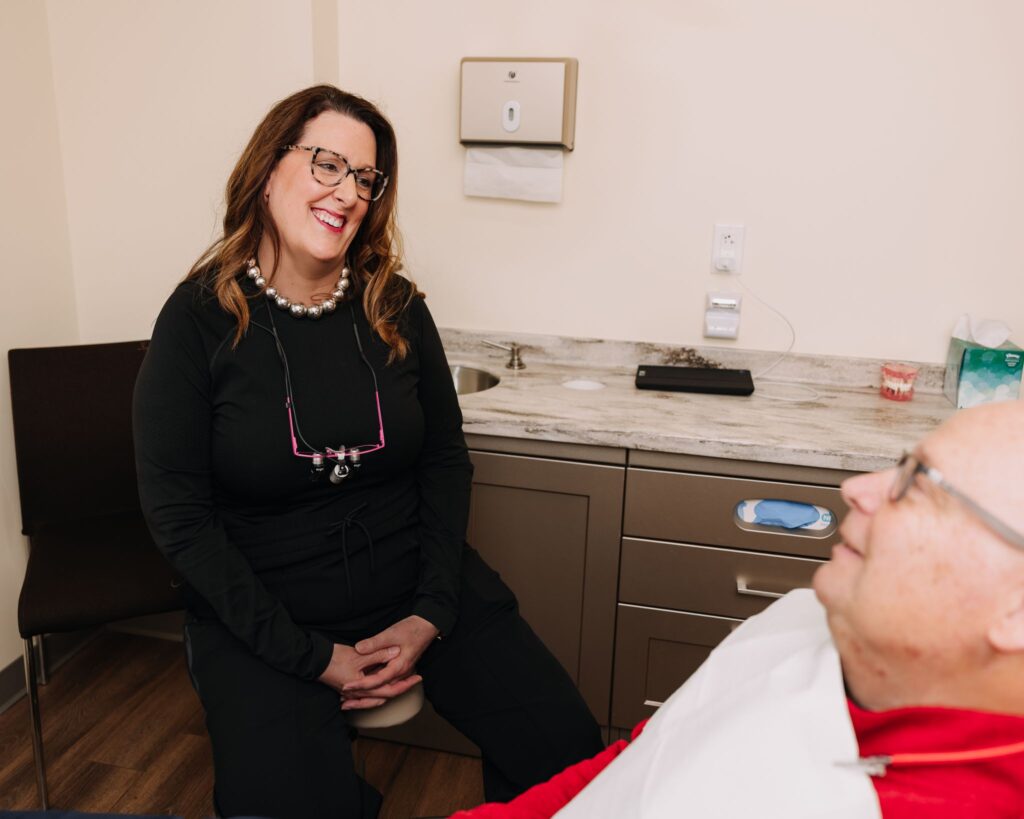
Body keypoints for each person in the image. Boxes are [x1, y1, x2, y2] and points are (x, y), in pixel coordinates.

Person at [132, 85, 602, 819]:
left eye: (364, 177)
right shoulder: (196, 320)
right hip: (265, 610)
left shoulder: (398, 306)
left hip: (413, 581)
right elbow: (179, 518)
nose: (347, 192)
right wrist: (311, 655)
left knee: (568, 754)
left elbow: (445, 460)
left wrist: (431, 611)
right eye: (327, 164)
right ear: (267, 167)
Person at [451, 400, 1024, 818]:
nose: (857, 487)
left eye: (918, 484)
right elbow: (641, 760)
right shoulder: (803, 618)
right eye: (900, 462)